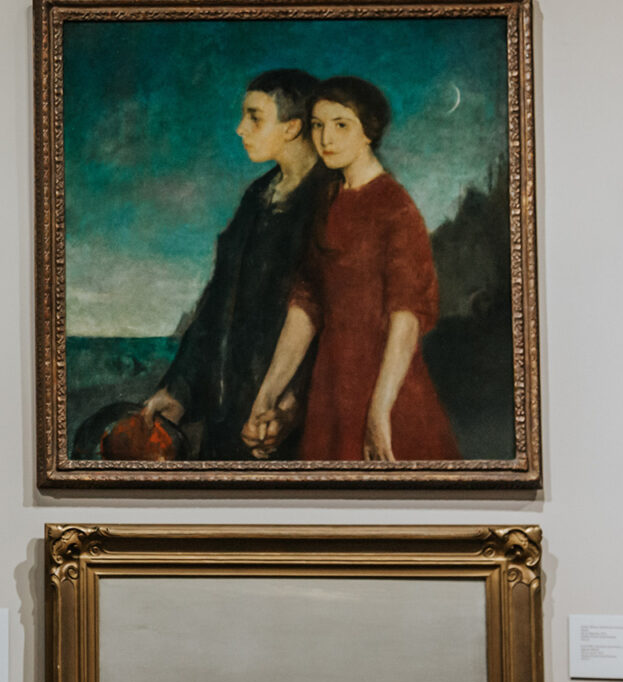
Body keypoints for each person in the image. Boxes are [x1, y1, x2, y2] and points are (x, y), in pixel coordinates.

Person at [241, 76, 460, 461]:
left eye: (341, 125)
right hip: (331, 385)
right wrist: (266, 396)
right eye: (318, 125)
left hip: (387, 386)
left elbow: (406, 317)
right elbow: (306, 306)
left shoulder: (395, 207)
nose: (326, 138)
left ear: (368, 133)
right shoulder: (326, 201)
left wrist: (379, 412)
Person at [140, 68, 332, 460]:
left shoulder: (334, 200)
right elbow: (217, 303)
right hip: (229, 417)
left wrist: (292, 406)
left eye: (254, 117)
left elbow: (345, 324)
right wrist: (179, 390)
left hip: (295, 428)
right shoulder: (258, 196)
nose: (239, 128)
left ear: (292, 127)